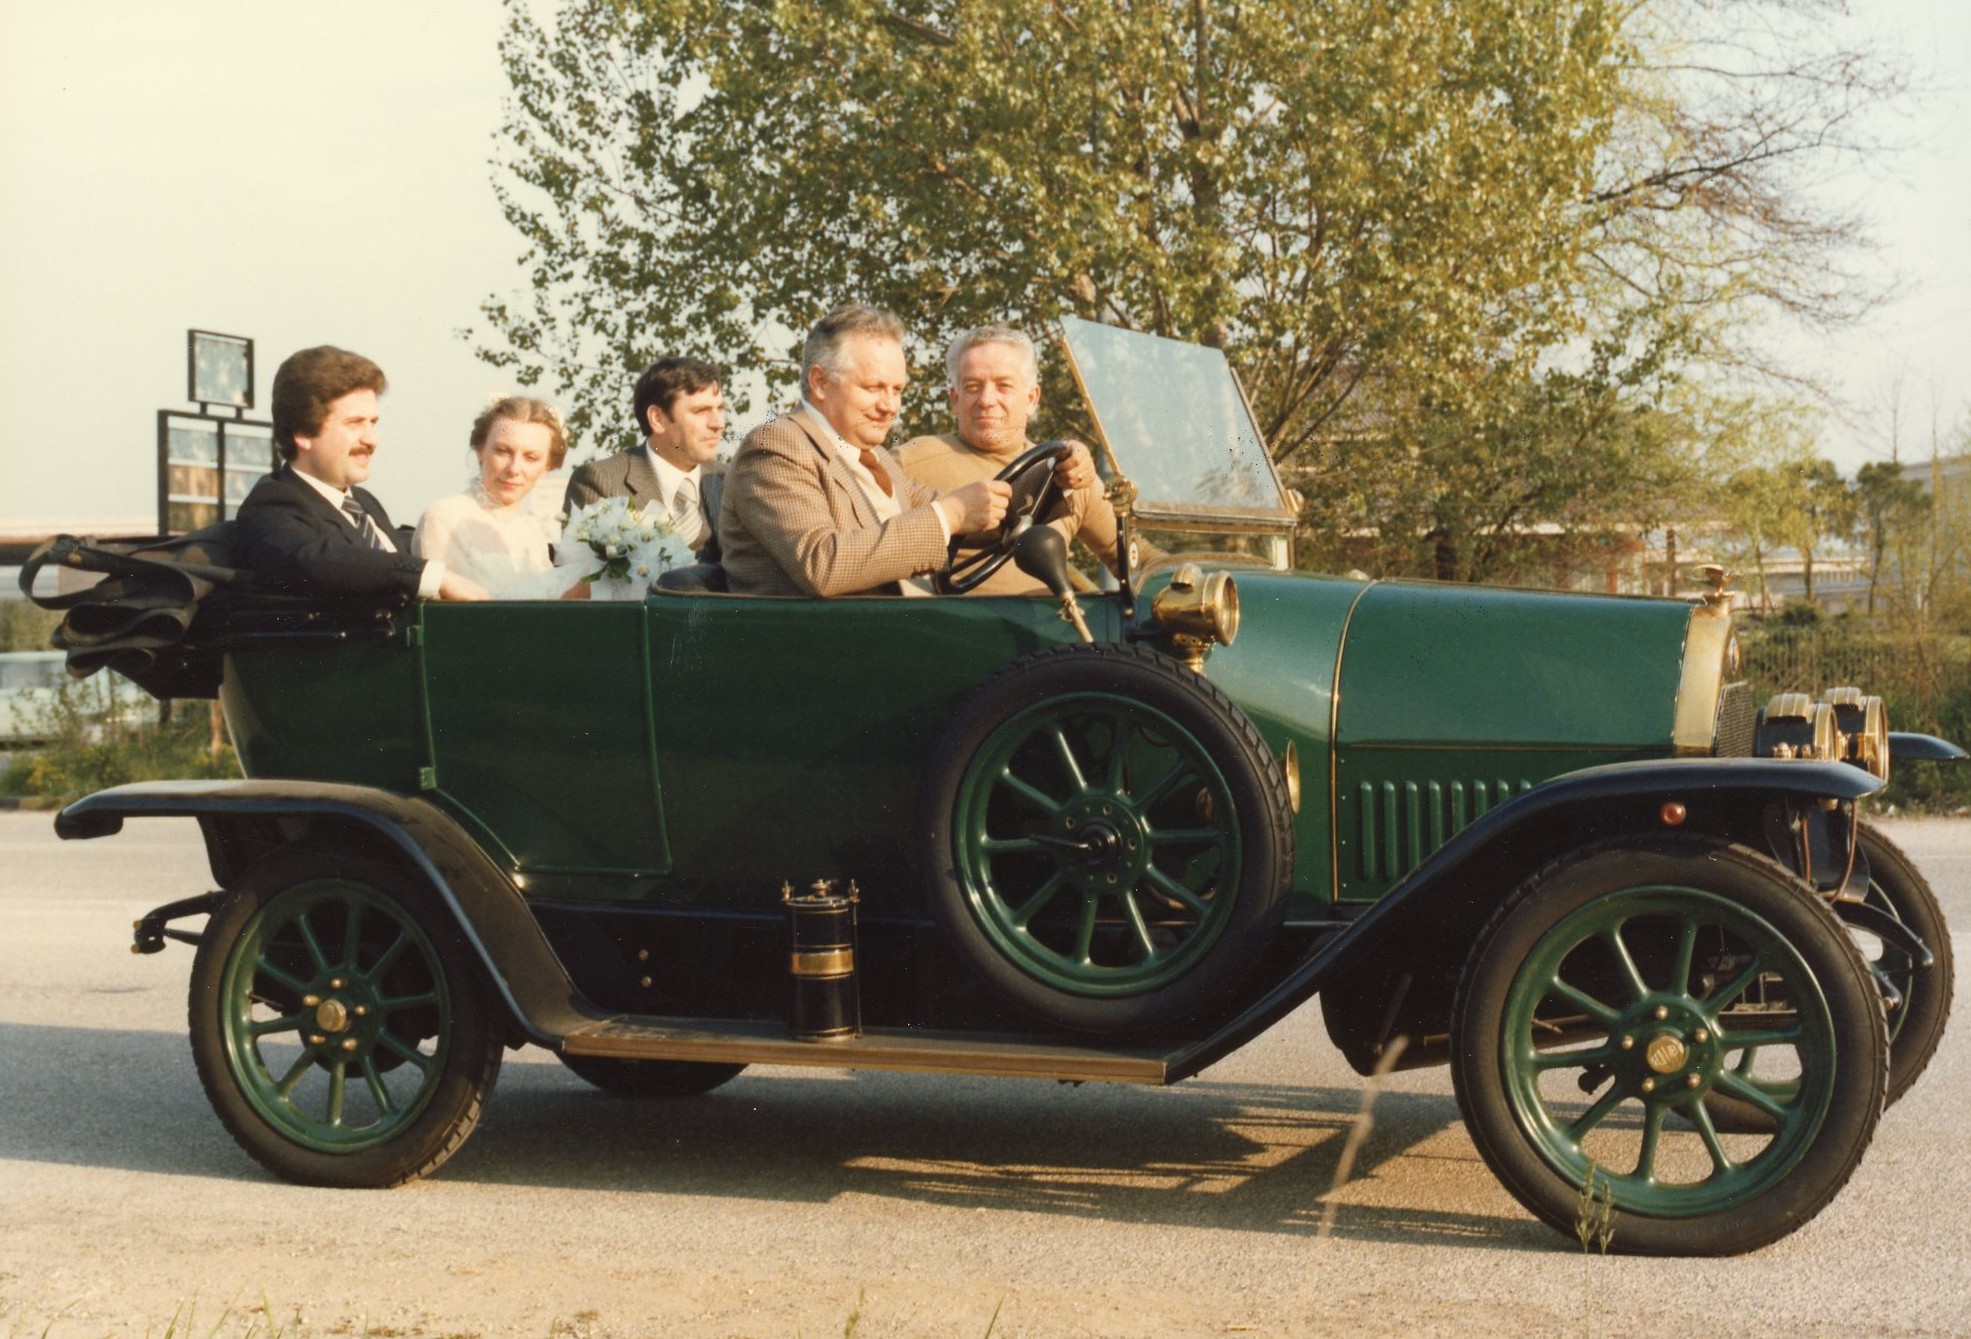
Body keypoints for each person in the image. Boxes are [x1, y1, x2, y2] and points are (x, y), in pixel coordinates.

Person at [719, 305, 1092, 597]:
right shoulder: (775, 446)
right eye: (874, 388)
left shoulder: (871, 457)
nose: (889, 406)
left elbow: (977, 516)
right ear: (819, 382)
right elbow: (822, 564)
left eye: (897, 390)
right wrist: (951, 514)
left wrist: (1057, 473)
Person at [236, 346, 488, 601]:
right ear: (303, 433)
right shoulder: (271, 504)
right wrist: (432, 577)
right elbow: (313, 560)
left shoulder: (364, 502)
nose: (372, 440)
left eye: (373, 422)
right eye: (355, 423)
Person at [896, 324, 1129, 597]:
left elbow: (1134, 558)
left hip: (1056, 622)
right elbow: (868, 544)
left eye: (1003, 386)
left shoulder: (1066, 471)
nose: (986, 400)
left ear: (1032, 399)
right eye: (972, 387)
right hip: (952, 621)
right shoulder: (912, 460)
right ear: (954, 399)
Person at [414, 397, 588, 599]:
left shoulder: (533, 531)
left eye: (531, 457)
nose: (514, 469)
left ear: (547, 467)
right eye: (503, 451)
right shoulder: (444, 518)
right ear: (480, 451)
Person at [563, 357, 727, 562]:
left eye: (720, 409)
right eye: (700, 411)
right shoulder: (601, 481)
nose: (717, 424)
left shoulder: (734, 481)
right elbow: (583, 573)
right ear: (657, 419)